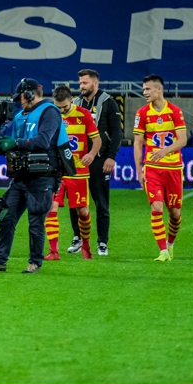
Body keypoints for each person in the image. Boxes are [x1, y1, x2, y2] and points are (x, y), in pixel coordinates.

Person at [0, 79, 67, 274]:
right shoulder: (20, 116)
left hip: (42, 175)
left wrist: (15, 143)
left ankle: (35, 263)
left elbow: (43, 141)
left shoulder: (50, 112)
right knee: (6, 218)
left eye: (21, 98)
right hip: (21, 176)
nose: (19, 102)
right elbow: (14, 144)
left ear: (29, 94)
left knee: (35, 222)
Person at [67, 69, 123, 256]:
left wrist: (111, 156)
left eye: (85, 83)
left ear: (95, 83)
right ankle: (77, 237)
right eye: (80, 83)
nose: (81, 86)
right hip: (78, 162)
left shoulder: (108, 103)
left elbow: (117, 133)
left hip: (100, 160)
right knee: (76, 203)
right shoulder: (75, 103)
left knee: (101, 203)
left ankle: (102, 242)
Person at [133, 75, 187, 262]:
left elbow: (183, 140)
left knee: (175, 214)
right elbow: (138, 143)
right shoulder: (141, 113)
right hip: (152, 168)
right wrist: (139, 170)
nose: (144, 92)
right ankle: (163, 251)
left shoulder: (174, 111)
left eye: (148, 89)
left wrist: (164, 151)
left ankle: (170, 244)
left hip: (173, 168)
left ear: (159, 89)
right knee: (156, 208)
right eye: (144, 89)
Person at [44, 86, 101, 261]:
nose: (61, 110)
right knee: (51, 208)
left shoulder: (84, 115)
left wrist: (91, 154)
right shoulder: (50, 115)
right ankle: (54, 251)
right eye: (58, 107)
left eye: (64, 107)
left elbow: (97, 140)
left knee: (82, 211)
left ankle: (86, 246)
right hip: (56, 172)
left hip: (78, 171)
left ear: (71, 99)